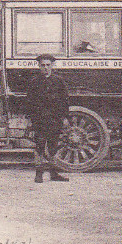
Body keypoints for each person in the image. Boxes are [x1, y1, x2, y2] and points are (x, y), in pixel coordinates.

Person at [24, 54, 70, 183]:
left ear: (52, 66)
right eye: (43, 65)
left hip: (54, 119)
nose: (45, 68)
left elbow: (64, 100)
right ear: (39, 66)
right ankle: (39, 174)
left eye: (48, 65)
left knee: (53, 146)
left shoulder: (58, 81)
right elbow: (29, 102)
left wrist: (65, 117)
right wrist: (29, 120)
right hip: (39, 120)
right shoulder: (34, 82)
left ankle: (54, 174)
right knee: (39, 146)